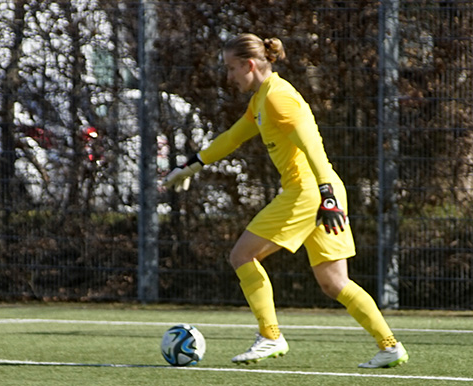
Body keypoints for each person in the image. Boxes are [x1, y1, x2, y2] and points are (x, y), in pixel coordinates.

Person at [164, 33, 409, 369]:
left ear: (250, 65)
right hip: (321, 192)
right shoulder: (261, 99)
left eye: (232, 68)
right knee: (334, 282)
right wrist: (193, 164)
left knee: (241, 255)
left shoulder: (279, 98)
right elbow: (233, 137)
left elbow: (312, 145)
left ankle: (270, 335)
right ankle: (390, 346)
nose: (229, 76)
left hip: (310, 192)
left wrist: (326, 196)